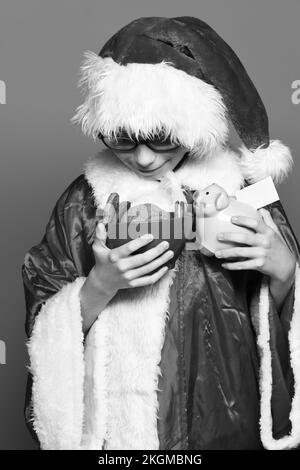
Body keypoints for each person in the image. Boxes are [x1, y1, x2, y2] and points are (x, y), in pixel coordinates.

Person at [22, 16, 300, 450]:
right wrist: (100, 285)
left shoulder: (244, 193)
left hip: (226, 420)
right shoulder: (87, 200)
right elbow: (44, 312)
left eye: (161, 139)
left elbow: (277, 323)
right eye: (123, 139)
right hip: (118, 432)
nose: (145, 158)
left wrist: (284, 271)